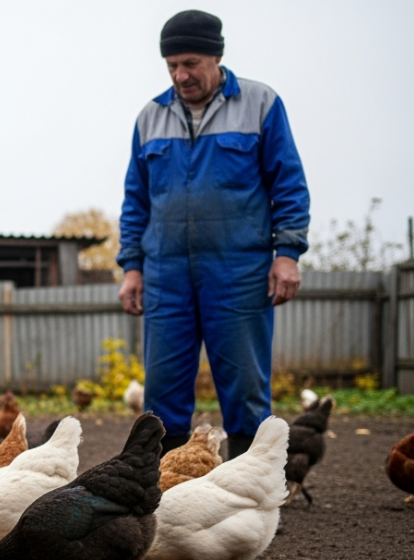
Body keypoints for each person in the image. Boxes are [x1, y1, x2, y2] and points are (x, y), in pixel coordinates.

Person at [116, 10, 310, 460]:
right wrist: (131, 267)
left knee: (244, 386)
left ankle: (250, 490)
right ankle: (165, 490)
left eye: (190, 64)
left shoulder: (260, 104)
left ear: (216, 56)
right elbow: (135, 200)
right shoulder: (150, 117)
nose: (181, 76)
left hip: (239, 270)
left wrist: (288, 253)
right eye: (172, 67)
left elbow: (289, 184)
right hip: (166, 274)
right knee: (162, 391)